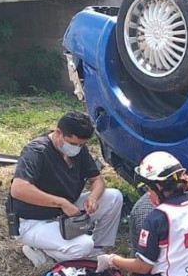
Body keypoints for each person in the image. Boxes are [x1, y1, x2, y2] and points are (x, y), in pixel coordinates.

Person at [11, 112, 123, 265]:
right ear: (58, 133)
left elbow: (97, 180)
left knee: (114, 196)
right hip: (34, 221)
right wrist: (61, 203)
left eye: (81, 145)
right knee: (83, 246)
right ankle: (39, 249)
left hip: (66, 212)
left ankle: (97, 249)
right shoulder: (36, 151)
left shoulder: (79, 150)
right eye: (73, 143)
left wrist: (93, 198)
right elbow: (18, 189)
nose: (76, 148)